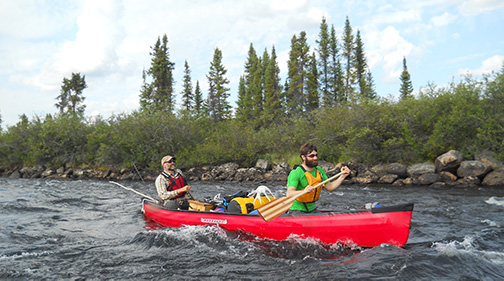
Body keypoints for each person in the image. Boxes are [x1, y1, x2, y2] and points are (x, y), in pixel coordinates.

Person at [286, 143, 350, 213]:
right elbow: (289, 194)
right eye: (311, 156)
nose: (315, 158)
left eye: (316, 155)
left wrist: (343, 176)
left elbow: (330, 187)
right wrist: (304, 191)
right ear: (303, 157)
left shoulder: (319, 170)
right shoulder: (296, 172)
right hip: (297, 210)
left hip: (312, 209)